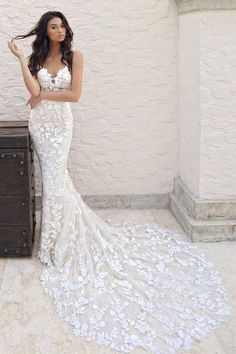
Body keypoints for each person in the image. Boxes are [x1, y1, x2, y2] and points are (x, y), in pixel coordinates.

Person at [7, 10, 231, 354]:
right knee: (55, 183)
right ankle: (54, 242)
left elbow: (74, 95)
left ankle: (57, 246)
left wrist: (42, 96)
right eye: (53, 27)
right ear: (45, 31)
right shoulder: (38, 56)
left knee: (55, 182)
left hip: (61, 127)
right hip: (40, 125)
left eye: (62, 26)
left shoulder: (74, 57)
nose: (60, 31)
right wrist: (22, 60)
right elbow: (32, 88)